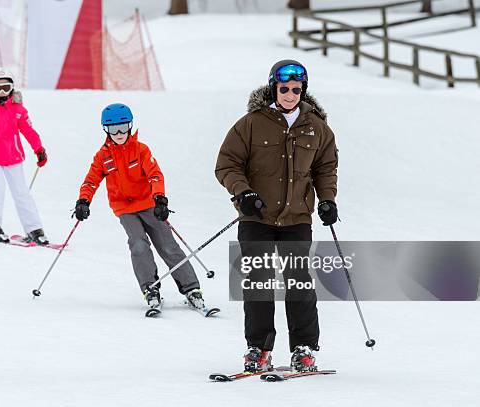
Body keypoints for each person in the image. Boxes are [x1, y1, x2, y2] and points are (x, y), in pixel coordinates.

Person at [215, 60, 339, 372]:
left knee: (299, 284)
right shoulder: (251, 123)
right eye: (284, 88)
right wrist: (243, 193)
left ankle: (304, 349)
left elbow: (325, 168)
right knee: (258, 283)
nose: (290, 94)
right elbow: (227, 163)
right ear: (274, 88)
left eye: (297, 89)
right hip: (256, 218)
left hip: (297, 219)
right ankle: (258, 348)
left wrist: (327, 200)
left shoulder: (317, 128)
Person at [74, 103, 206, 311]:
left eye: (123, 127)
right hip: (124, 208)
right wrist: (83, 200)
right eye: (113, 129)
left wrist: (160, 199)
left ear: (130, 126)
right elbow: (91, 181)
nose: (118, 133)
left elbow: (155, 175)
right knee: (138, 244)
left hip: (148, 204)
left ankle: (191, 288)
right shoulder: (103, 156)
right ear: (105, 130)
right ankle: (150, 289)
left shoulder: (141, 149)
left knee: (168, 245)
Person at [0, 68, 49, 245]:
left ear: (12, 88)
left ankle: (34, 229)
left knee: (22, 192)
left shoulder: (18, 109)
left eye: (6, 87)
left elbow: (28, 131)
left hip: (13, 156)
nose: (2, 92)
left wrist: (39, 149)